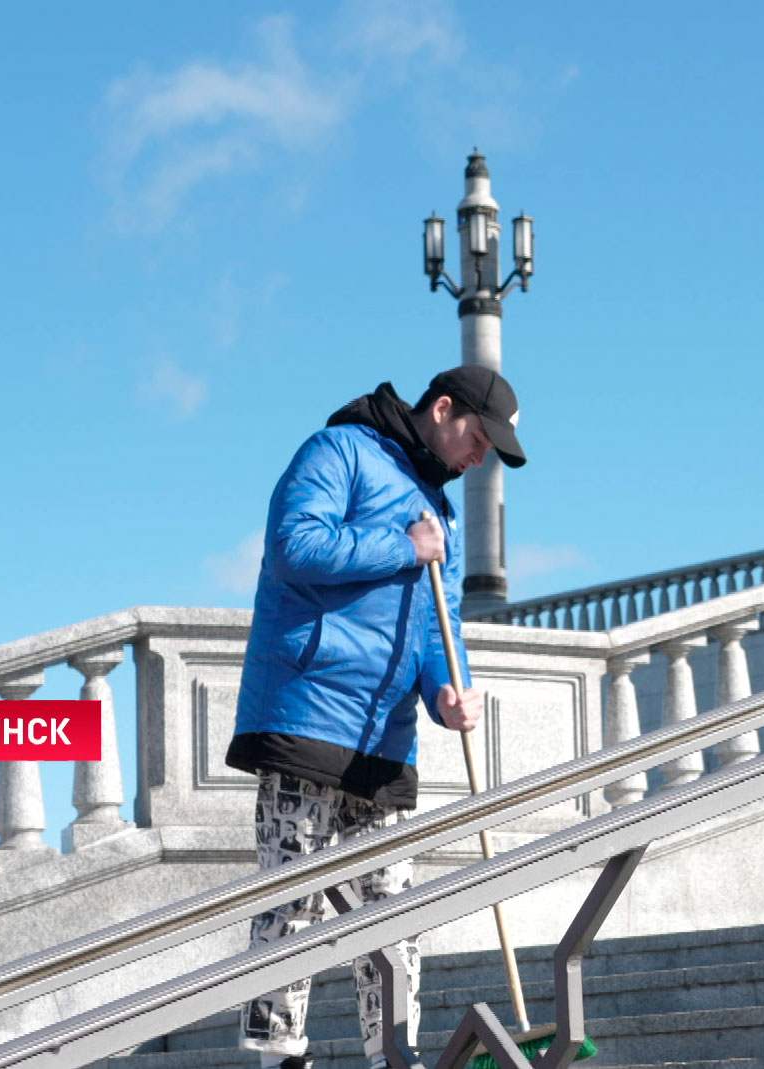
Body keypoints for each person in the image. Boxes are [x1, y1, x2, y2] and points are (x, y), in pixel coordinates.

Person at [225, 364, 527, 1069]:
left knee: (394, 913)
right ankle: (279, 1059)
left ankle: (394, 1054)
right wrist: (403, 544)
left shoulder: (439, 509)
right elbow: (292, 546)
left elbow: (437, 623)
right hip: (305, 713)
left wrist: (448, 691)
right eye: (478, 438)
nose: (479, 456)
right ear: (442, 408)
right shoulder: (338, 452)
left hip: (386, 735)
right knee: (290, 898)